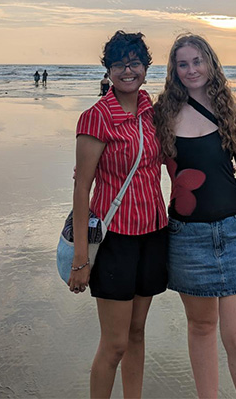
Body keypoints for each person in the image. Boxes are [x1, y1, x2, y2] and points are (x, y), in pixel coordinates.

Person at [153, 35, 236, 397]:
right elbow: (133, 157)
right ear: (174, 70)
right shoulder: (162, 115)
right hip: (187, 238)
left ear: (210, 63)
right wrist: (90, 168)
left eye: (197, 61)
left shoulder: (231, 113)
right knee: (201, 327)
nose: (191, 70)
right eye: (183, 64)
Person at [68, 31, 167, 399]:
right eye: (119, 63)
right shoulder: (96, 118)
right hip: (114, 240)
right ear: (108, 70)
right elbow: (82, 189)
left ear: (145, 67)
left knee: (137, 333)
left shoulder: (152, 112)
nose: (128, 69)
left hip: (154, 233)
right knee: (114, 344)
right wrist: (81, 257)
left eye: (135, 62)